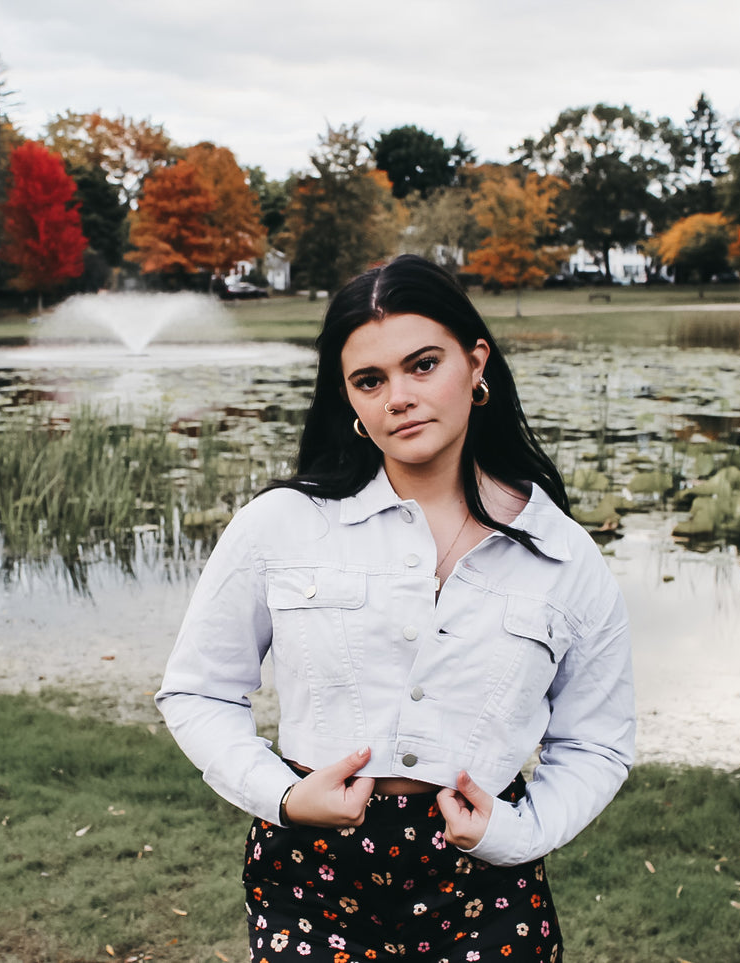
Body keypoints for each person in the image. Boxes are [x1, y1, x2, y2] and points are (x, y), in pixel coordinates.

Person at [156, 254, 634, 962]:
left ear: (476, 364)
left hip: (485, 887)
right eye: (369, 380)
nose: (398, 396)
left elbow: (596, 740)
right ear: (347, 398)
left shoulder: (561, 556)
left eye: (422, 364)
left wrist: (520, 832)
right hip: (311, 881)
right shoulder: (281, 525)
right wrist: (282, 797)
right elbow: (198, 689)